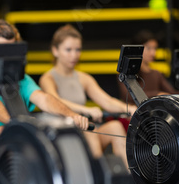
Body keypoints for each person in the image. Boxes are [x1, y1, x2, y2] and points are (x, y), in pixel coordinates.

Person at [0, 19, 89, 184]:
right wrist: (18, 126)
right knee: (1, 132)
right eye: (1, 50)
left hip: (15, 153)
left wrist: (72, 115)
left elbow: (43, 98)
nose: (6, 55)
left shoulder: (19, 79)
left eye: (11, 49)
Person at [39, 24, 136, 168]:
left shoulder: (84, 78)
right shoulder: (47, 78)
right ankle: (100, 180)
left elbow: (107, 101)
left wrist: (130, 108)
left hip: (82, 130)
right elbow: (55, 100)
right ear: (55, 50)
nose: (74, 55)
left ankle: (127, 178)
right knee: (90, 130)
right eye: (68, 50)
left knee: (115, 127)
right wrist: (86, 110)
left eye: (77, 50)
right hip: (60, 135)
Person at [118, 30, 179, 104]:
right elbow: (128, 96)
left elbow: (172, 93)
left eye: (155, 48)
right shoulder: (126, 73)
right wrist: (157, 94)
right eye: (149, 48)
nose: (153, 53)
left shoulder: (156, 74)